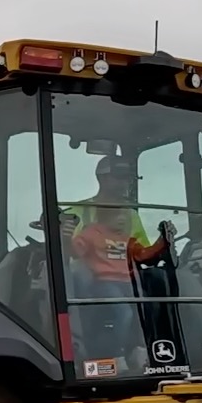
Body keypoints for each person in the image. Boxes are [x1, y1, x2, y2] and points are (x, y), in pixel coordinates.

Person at [61, 153, 172, 371]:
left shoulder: (130, 215)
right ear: (102, 178)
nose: (125, 182)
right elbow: (69, 251)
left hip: (123, 279)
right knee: (82, 276)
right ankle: (90, 350)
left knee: (155, 287)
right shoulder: (78, 211)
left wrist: (164, 243)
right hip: (87, 283)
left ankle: (147, 349)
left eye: (128, 177)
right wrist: (63, 234)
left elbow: (141, 253)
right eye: (119, 176)